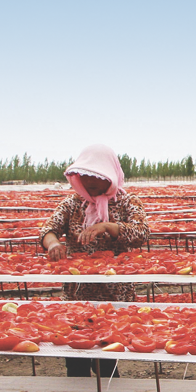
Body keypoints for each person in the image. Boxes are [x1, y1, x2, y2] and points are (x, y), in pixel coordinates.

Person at [39, 144, 150, 378]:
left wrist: (108, 226)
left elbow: (142, 233)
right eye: (85, 175)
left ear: (109, 176)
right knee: (75, 353)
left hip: (113, 292)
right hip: (77, 292)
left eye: (96, 175)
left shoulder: (127, 202)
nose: (89, 181)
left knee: (107, 353)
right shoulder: (72, 204)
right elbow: (49, 229)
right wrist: (54, 244)